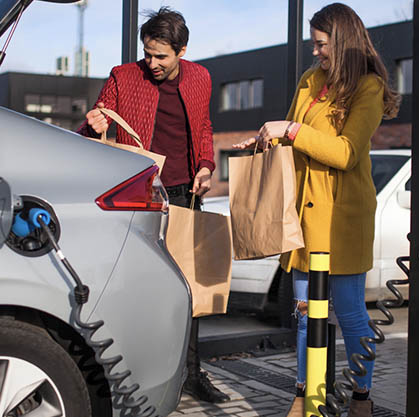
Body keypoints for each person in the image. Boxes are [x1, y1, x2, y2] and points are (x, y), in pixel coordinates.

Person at [233, 3, 401, 416]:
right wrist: (264, 144)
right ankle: (307, 396)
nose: (315, 52)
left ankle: (361, 397)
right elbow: (293, 139)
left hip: (341, 220)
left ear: (341, 42)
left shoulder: (369, 87)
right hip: (304, 219)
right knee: (307, 318)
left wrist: (291, 130)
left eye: (321, 44)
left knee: (349, 315)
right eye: (314, 44)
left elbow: (345, 153)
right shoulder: (311, 80)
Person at [77, 7, 229, 404]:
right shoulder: (123, 77)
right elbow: (93, 128)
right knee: (138, 287)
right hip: (139, 196)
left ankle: (191, 374)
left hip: (184, 194)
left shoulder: (201, 77)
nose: (152, 63)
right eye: (148, 53)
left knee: (188, 289)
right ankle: (136, 378)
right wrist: (91, 124)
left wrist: (207, 166)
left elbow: (204, 127)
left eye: (161, 56)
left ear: (181, 51)